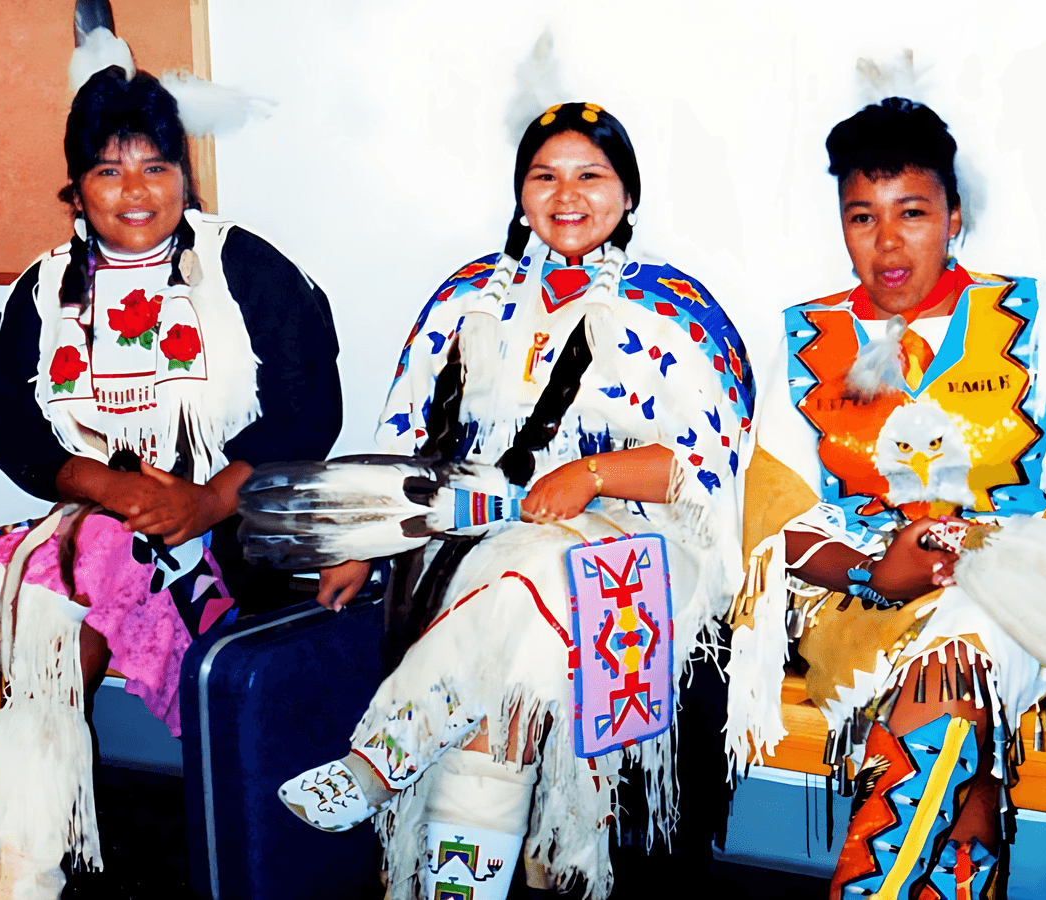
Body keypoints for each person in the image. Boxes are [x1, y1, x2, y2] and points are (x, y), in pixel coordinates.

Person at [0, 49, 341, 900]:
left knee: (63, 587)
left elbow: (310, 408)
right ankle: (19, 875)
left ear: (186, 177)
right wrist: (106, 487)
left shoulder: (247, 269)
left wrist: (206, 498)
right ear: (76, 191)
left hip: (234, 533)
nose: (137, 190)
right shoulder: (44, 288)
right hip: (98, 529)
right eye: (108, 172)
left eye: (157, 167)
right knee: (67, 605)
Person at [276, 102, 754, 899]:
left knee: (533, 564)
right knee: (521, 643)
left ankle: (382, 757)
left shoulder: (677, 310)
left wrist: (594, 477)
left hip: (647, 548)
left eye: (590, 175)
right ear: (521, 193)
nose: (568, 194)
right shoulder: (470, 297)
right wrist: (361, 541)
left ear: (627, 194)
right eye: (545, 176)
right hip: (492, 546)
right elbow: (404, 430)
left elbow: (711, 467)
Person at [724, 97, 1046, 898]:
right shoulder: (803, 339)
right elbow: (771, 526)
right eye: (862, 217)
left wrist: (988, 560)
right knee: (964, 775)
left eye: (913, 212)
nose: (888, 242)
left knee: (967, 644)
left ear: (954, 214)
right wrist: (876, 574)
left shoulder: (1032, 322)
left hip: (1011, 605)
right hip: (856, 604)